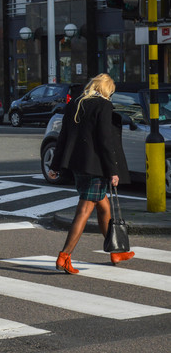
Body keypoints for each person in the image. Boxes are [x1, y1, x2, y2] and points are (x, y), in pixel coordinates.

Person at [48, 73, 133, 274]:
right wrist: (113, 171)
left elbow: (63, 137)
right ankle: (64, 255)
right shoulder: (102, 105)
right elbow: (105, 140)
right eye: (110, 91)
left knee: (103, 207)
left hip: (78, 165)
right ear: (106, 89)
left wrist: (55, 165)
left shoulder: (75, 104)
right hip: (96, 167)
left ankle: (115, 250)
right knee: (84, 210)